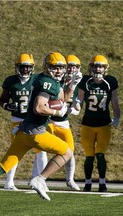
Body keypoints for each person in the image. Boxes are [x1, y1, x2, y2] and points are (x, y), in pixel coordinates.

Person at [0, 52, 74, 211]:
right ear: (46, 67)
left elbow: (62, 98)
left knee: (4, 165)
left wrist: (70, 85)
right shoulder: (48, 83)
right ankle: (40, 179)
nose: (59, 71)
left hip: (24, 132)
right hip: (36, 133)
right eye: (55, 68)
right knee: (67, 152)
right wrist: (57, 112)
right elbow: (39, 107)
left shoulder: (42, 79)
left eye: (61, 68)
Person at [0, 53, 48, 190]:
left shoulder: (37, 80)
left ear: (32, 68)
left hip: (33, 120)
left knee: (41, 150)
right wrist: (7, 106)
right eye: (22, 67)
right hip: (17, 120)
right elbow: (2, 100)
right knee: (14, 151)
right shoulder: (11, 81)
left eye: (28, 67)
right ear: (17, 67)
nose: (25, 70)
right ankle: (9, 182)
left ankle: (41, 181)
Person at [74, 54, 120, 192]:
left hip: (104, 124)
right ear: (91, 67)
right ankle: (87, 183)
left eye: (100, 66)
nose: (98, 69)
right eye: (95, 66)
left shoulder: (110, 81)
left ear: (105, 68)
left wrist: (117, 117)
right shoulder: (86, 81)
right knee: (89, 155)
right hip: (87, 124)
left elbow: (115, 103)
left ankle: (102, 183)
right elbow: (80, 100)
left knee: (100, 155)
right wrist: (75, 107)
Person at [46, 54, 82, 191]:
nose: (72, 69)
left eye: (75, 66)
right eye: (70, 66)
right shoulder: (56, 80)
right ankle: (39, 177)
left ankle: (70, 179)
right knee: (40, 150)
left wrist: (71, 109)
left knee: (70, 151)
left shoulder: (77, 84)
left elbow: (77, 107)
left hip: (63, 122)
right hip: (48, 120)